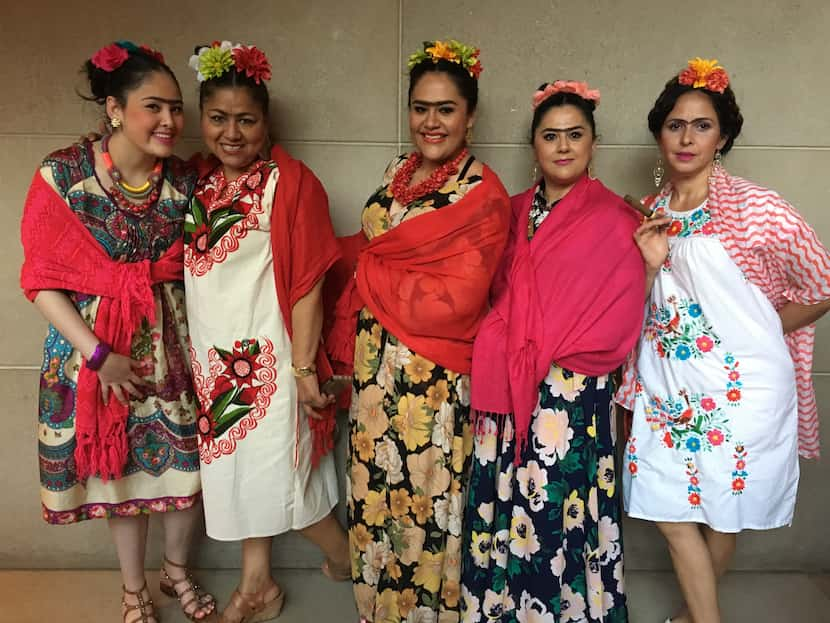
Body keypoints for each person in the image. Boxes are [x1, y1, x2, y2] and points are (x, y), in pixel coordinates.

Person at [616, 57, 830, 623]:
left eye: (702, 125)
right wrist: (648, 264)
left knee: (723, 510)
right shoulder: (653, 212)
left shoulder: (759, 209)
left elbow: (822, 284)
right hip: (668, 387)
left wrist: (755, 334)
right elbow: (636, 307)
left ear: (724, 135)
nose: (686, 138)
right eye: (674, 125)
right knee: (669, 507)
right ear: (659, 133)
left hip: (742, 390)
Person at [20, 41, 215, 623]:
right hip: (95, 349)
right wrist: (99, 354)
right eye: (153, 107)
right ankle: (134, 589)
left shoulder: (186, 180)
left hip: (171, 347)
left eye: (176, 109)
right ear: (113, 108)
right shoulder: (63, 177)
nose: (170, 122)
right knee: (121, 472)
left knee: (186, 465)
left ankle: (175, 570)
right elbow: (41, 280)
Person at [325, 39, 510, 623]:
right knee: (376, 494)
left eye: (446, 109)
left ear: (471, 116)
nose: (431, 122)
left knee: (427, 502)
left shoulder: (482, 192)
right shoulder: (396, 172)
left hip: (431, 375)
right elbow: (375, 252)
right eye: (421, 107)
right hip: (375, 368)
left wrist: (372, 274)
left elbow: (459, 299)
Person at [460, 81, 644, 623]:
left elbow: (620, 312)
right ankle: (501, 607)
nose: (563, 147)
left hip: (571, 392)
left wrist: (549, 346)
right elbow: (486, 291)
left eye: (575, 135)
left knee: (556, 504)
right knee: (506, 497)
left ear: (593, 142)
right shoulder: (509, 212)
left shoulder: (617, 219)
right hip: (506, 383)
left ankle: (561, 609)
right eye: (550, 136)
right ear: (534, 145)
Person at [183, 41, 350, 623]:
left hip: (270, 365)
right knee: (241, 483)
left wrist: (304, 369)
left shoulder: (290, 181)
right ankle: (258, 587)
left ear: (266, 122)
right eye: (218, 118)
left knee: (289, 487)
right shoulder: (199, 185)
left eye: (246, 120)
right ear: (202, 120)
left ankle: (352, 560)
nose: (232, 132)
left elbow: (307, 282)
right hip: (214, 367)